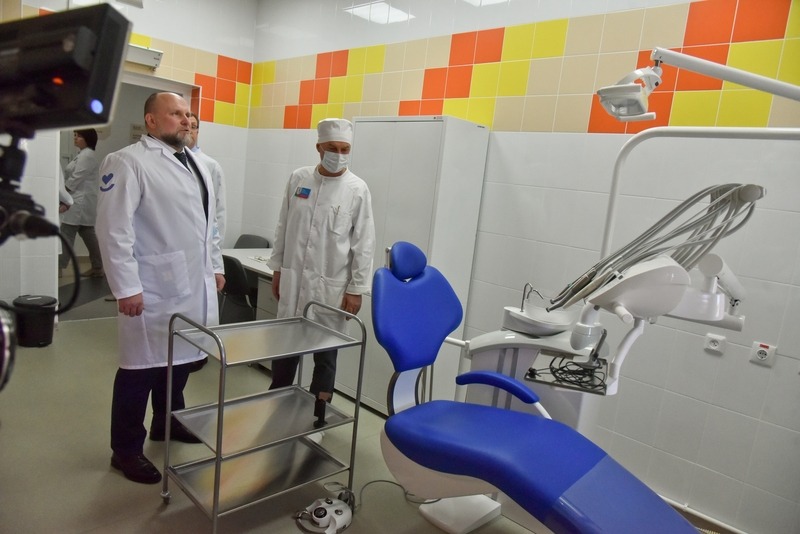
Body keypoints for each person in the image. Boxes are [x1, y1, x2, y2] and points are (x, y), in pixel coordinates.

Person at [95, 92, 225, 485]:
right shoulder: (127, 162)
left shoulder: (197, 163)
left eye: (188, 114)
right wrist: (126, 287)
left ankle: (167, 422)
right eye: (175, 114)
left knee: (180, 361)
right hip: (151, 287)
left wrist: (215, 267)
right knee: (140, 369)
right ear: (151, 120)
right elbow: (113, 230)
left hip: (193, 283)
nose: (186, 120)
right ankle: (125, 450)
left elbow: (210, 225)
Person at [266, 118, 375, 424]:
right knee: (285, 349)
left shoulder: (357, 189)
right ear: (319, 148)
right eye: (332, 148)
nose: (338, 155)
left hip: (332, 288)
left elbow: (364, 243)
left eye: (344, 149)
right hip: (293, 279)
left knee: (326, 355)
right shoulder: (299, 179)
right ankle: (276, 407)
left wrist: (356, 289)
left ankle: (319, 414)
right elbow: (283, 226)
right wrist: (278, 269)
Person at [59, 128, 104, 278]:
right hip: (80, 201)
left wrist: (61, 195)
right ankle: (98, 267)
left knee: (67, 233)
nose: (75, 138)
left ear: (87, 139)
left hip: (79, 201)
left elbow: (75, 180)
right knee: (87, 233)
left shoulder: (87, 156)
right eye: (75, 135)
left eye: (78, 136)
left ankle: (58, 267)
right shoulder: (83, 155)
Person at [188, 112, 227, 243]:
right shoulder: (169, 161)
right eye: (186, 126)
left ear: (198, 131)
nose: (189, 130)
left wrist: (216, 245)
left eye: (193, 127)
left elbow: (219, 211)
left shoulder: (211, 165)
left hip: (202, 239)